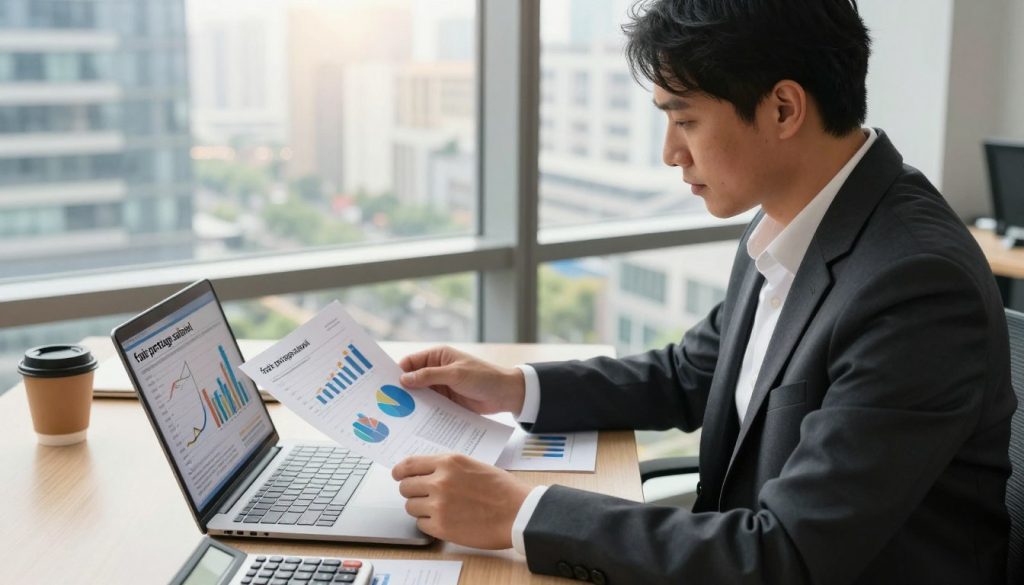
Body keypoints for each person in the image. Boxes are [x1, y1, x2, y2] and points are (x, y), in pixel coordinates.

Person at [391, 0, 1018, 582]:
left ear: (783, 109)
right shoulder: (794, 215)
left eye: (684, 120)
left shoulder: (913, 285)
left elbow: (788, 555)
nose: (670, 153)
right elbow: (693, 373)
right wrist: (513, 387)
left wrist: (522, 513)